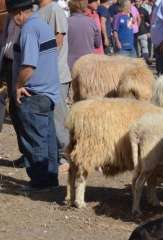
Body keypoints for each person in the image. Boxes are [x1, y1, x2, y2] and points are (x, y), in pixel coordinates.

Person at [6, 0, 60, 190]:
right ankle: (51, 179)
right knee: (48, 140)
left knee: (34, 141)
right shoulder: (42, 25)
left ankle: (39, 183)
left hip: (33, 93)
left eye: (12, 15)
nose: (12, 20)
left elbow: (29, 65)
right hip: (48, 92)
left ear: (19, 12)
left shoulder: (29, 29)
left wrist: (18, 84)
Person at [38, 0, 71, 170]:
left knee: (59, 119)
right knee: (50, 118)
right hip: (45, 74)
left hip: (56, 73)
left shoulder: (55, 10)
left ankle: (69, 157)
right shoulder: (38, 10)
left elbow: (59, 40)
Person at [67, 0, 102, 69]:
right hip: (88, 63)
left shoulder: (65, 22)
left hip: (70, 64)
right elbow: (98, 43)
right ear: (84, 7)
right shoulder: (91, 22)